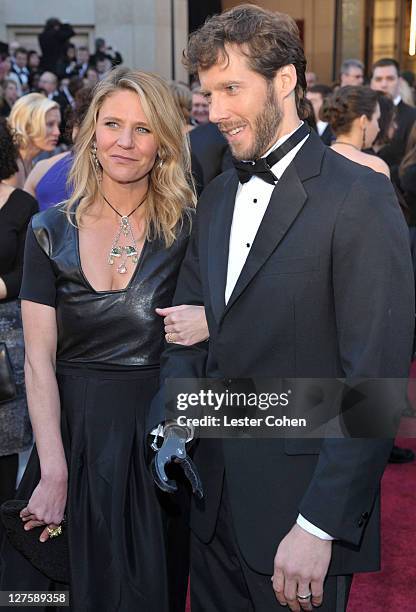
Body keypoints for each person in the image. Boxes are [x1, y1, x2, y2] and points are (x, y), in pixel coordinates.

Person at [149, 5, 414, 611]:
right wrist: (179, 422)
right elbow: (185, 333)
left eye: (231, 89)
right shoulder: (215, 195)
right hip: (209, 508)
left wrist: (319, 524)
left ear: (286, 81)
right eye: (208, 92)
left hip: (297, 520)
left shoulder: (358, 198)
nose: (214, 111)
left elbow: (372, 382)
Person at [0, 67, 208, 612]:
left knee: (149, 589)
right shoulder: (48, 230)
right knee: (49, 593)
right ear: (90, 134)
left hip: (155, 439)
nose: (125, 141)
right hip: (70, 434)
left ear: (163, 141)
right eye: (112, 124)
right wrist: (53, 469)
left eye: (143, 129)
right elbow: (38, 362)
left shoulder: (190, 227)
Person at [0, 118, 38, 535]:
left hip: (8, 341)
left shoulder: (22, 206)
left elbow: (31, 270)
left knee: (5, 448)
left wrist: (2, 285)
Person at [321, 85, 390, 177]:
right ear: (363, 121)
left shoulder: (315, 158)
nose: (378, 128)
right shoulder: (376, 167)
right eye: (377, 119)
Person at [5, 93, 61, 188]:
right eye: (50, 124)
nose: (57, 132)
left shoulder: (29, 163)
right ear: (27, 126)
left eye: (58, 125)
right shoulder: (11, 168)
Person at [371, 57, 416, 168]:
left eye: (390, 78)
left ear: (400, 81)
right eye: (378, 79)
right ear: (372, 82)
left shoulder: (413, 116)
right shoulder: (363, 113)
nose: (384, 84)